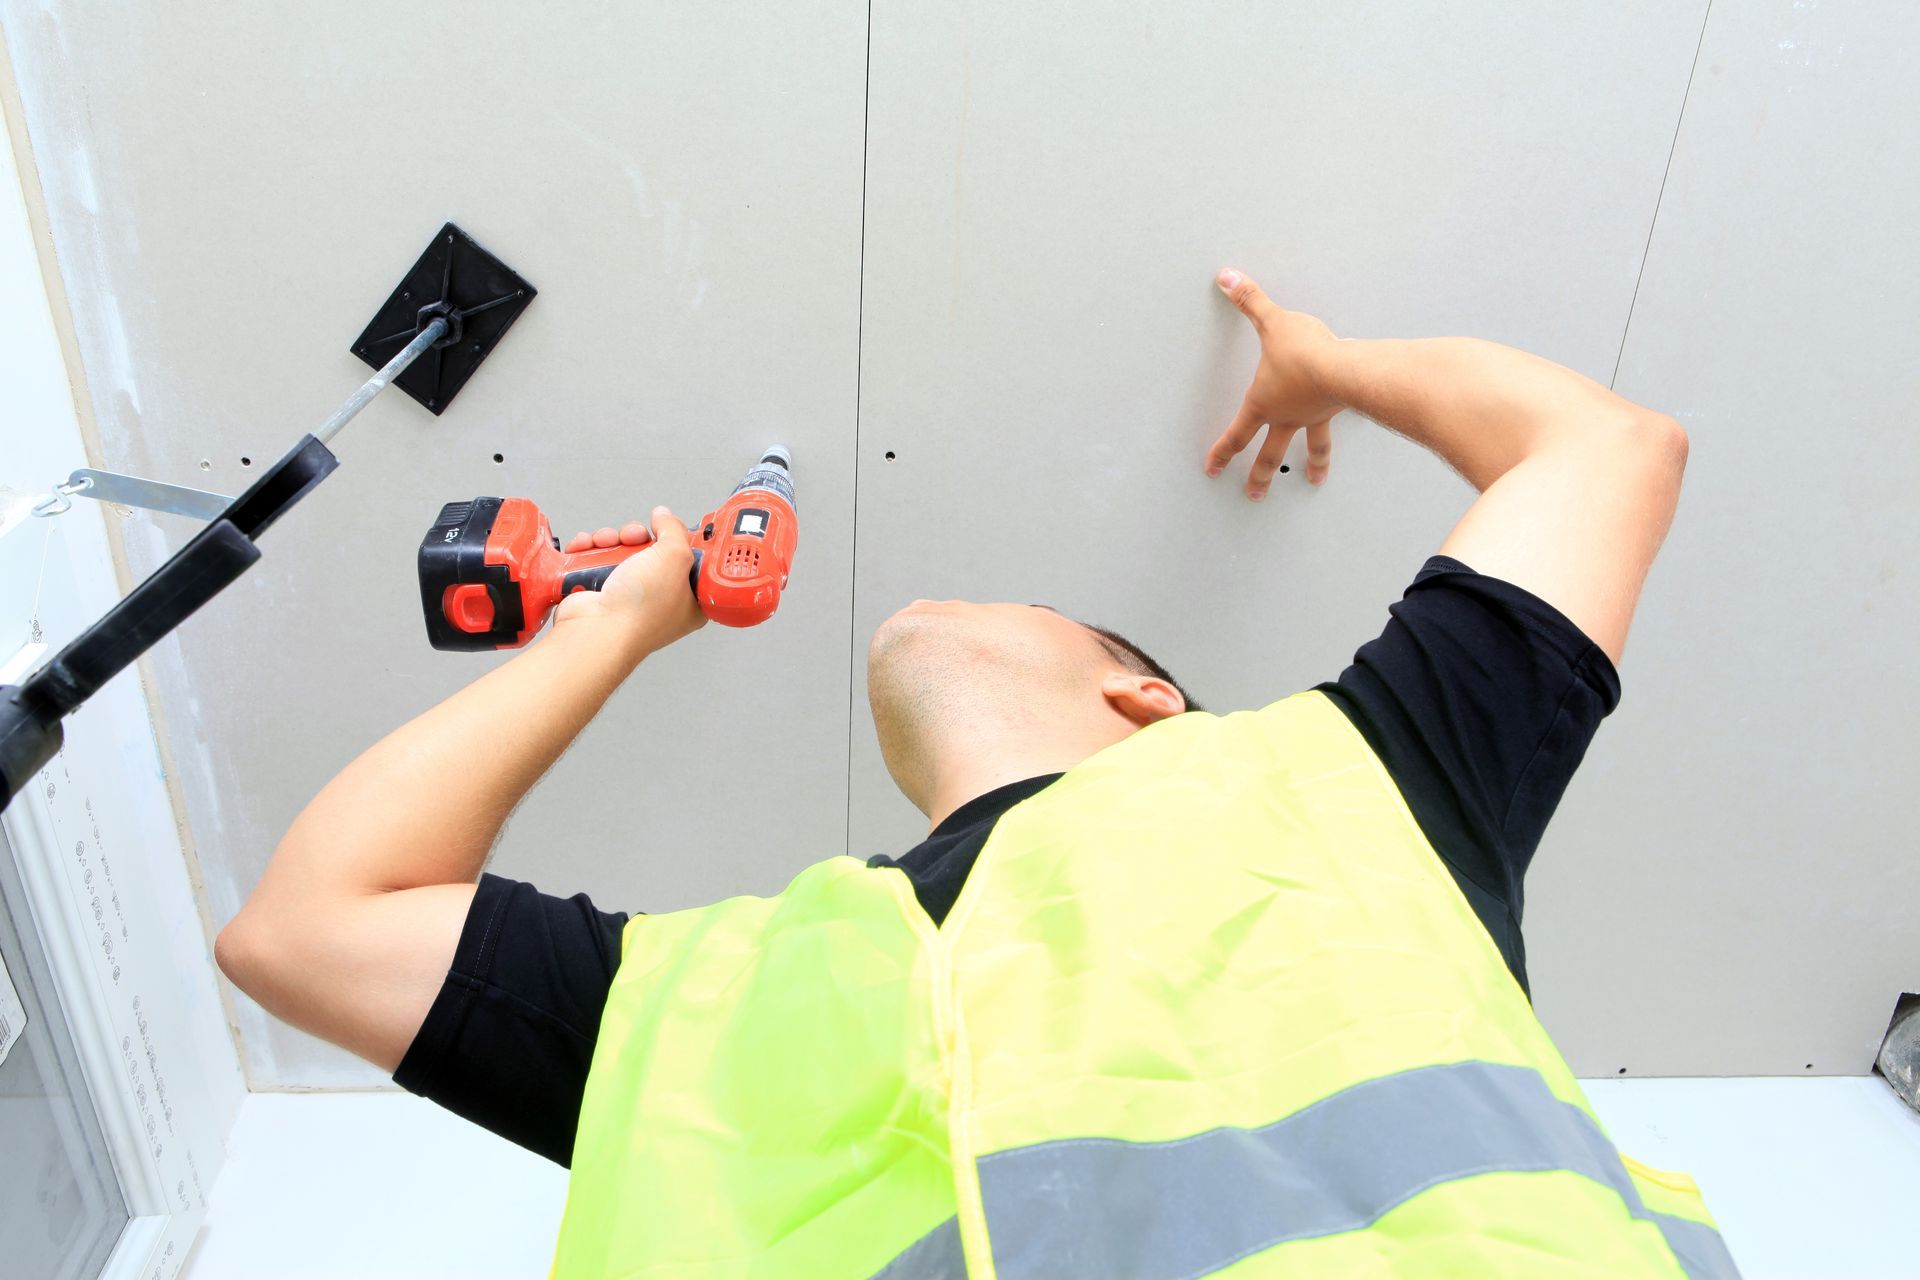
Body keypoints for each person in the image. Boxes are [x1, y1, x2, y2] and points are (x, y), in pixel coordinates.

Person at [216, 267, 1737, 1278]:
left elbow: (1611, 449)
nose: (949, 602)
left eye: (1027, 605)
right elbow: (298, 929)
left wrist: (1323, 363)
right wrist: (599, 638)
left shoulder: (1357, 780)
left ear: (1145, 696)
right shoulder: (731, 981)